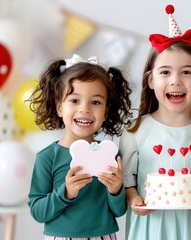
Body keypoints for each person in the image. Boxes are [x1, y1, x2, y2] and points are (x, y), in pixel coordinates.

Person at [119, 5, 191, 240]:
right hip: (150, 228)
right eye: (165, 72)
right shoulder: (135, 131)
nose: (176, 81)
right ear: (150, 81)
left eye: (186, 72)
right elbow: (128, 183)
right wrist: (134, 200)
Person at [27, 54, 133, 240]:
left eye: (95, 102)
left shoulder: (111, 154)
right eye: (74, 100)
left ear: (106, 110)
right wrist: (65, 193)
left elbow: (119, 211)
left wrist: (116, 190)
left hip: (103, 236)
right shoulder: (47, 157)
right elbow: (37, 212)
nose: (85, 109)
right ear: (60, 107)